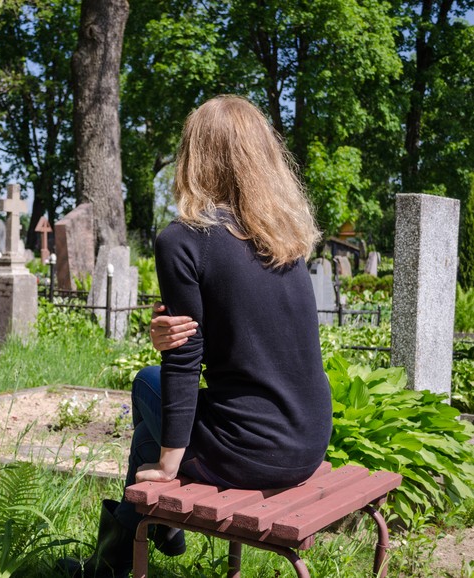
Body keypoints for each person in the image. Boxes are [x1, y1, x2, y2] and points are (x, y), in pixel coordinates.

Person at [59, 95, 333, 578]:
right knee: (152, 409)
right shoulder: (283, 240)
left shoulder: (182, 239)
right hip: (309, 438)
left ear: (195, 156)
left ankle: (115, 561)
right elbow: (253, 333)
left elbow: (185, 362)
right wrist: (173, 326)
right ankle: (133, 548)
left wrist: (169, 467)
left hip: (255, 449)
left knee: (148, 391)